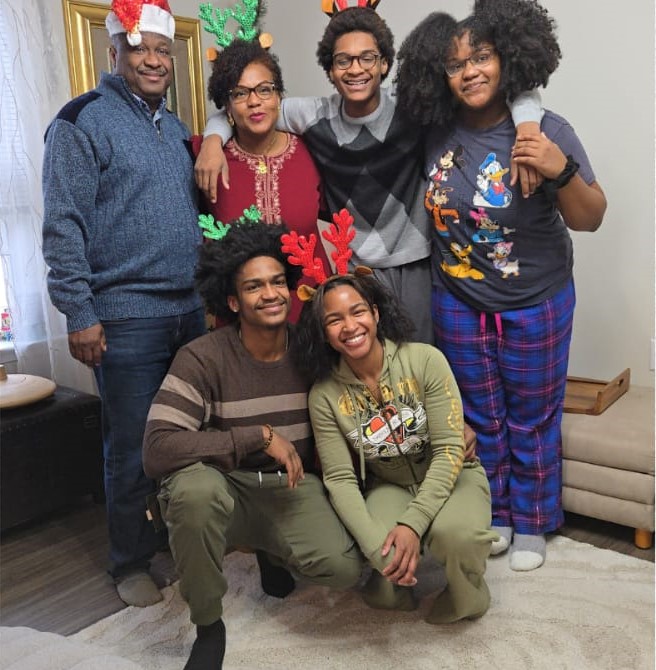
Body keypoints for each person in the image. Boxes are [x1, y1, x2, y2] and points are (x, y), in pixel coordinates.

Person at [394, 0, 607, 571]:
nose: (470, 72)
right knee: (481, 418)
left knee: (532, 419)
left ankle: (534, 521)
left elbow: (591, 217)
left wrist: (559, 167)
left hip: (536, 300)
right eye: (455, 64)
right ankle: (498, 514)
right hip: (459, 299)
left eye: (482, 57)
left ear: (507, 58)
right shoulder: (433, 130)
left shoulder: (547, 129)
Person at [195, 4, 544, 345]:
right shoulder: (312, 115)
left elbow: (511, 87)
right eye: (343, 60)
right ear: (330, 70)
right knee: (363, 361)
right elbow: (247, 106)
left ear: (384, 64)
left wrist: (528, 128)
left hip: (417, 261)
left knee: (418, 358)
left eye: (367, 58)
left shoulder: (413, 104)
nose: (355, 69)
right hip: (354, 266)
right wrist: (212, 141)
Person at [41, 0, 207, 606]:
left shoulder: (176, 126)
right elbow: (63, 224)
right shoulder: (81, 121)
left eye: (164, 50)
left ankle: (178, 538)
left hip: (190, 310)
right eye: (141, 50)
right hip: (126, 316)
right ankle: (130, 561)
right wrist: (80, 312)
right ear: (114, 52)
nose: (155, 60)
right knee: (133, 444)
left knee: (185, 435)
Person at [142, 218, 363, 669]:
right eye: (254, 286)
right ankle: (209, 625)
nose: (270, 294)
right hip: (225, 486)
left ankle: (271, 550)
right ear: (232, 301)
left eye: (278, 282)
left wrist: (450, 421)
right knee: (194, 493)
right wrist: (257, 436)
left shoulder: (311, 347)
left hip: (290, 486)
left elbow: (376, 379)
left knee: (342, 568)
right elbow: (157, 448)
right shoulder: (202, 357)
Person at [291, 260, 497, 624]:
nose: (350, 326)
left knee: (457, 536)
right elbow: (339, 478)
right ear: (323, 332)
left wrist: (413, 523)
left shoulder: (425, 359)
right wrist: (375, 549)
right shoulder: (323, 395)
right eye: (334, 320)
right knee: (386, 559)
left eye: (358, 312)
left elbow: (450, 449)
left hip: (453, 474)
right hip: (388, 485)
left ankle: (469, 595)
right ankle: (389, 585)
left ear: (375, 313)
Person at [191, 38, 328, 321]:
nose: (255, 101)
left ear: (279, 96)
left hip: (311, 312)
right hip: (240, 319)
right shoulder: (205, 157)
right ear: (227, 106)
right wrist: (211, 141)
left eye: (265, 89)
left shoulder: (312, 149)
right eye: (240, 93)